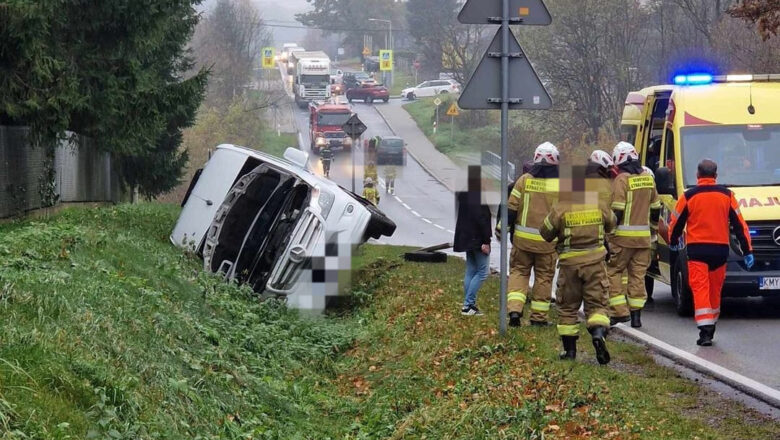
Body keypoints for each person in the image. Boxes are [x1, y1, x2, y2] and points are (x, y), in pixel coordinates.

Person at [667, 159, 753, 346]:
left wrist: (672, 242)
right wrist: (747, 250)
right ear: (715, 175)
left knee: (700, 289)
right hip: (721, 251)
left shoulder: (689, 196)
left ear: (698, 175)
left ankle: (705, 331)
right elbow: (740, 226)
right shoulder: (727, 196)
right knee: (715, 289)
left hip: (697, 250)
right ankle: (711, 323)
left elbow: (675, 223)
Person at [540, 169, 616, 364]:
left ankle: (570, 352)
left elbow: (545, 232)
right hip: (595, 264)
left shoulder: (562, 207)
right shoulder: (598, 203)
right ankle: (598, 335)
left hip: (569, 266)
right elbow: (612, 224)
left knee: (567, 308)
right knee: (598, 305)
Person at [606, 142, 661, 328]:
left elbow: (618, 211)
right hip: (643, 239)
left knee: (613, 272)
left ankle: (619, 312)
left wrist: (608, 232)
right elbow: (656, 208)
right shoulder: (648, 178)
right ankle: (636, 318)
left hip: (622, 239)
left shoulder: (621, 179)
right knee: (638, 276)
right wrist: (653, 228)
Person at [505, 142, 560, 327]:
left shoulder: (524, 180)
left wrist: (502, 229)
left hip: (522, 242)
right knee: (543, 278)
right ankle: (538, 318)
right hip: (548, 243)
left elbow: (511, 208)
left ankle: (514, 311)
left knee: (519, 273)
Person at [454, 165, 493, 316]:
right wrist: (486, 241)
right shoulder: (477, 196)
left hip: (467, 238)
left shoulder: (466, 194)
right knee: (483, 272)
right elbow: (481, 219)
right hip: (477, 239)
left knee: (471, 270)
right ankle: (468, 304)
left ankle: (468, 305)